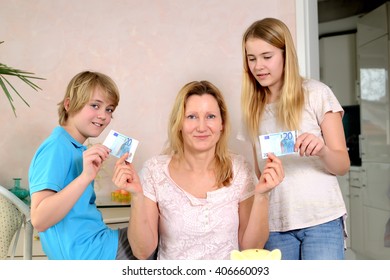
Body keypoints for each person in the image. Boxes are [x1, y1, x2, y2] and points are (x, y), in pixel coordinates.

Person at [112, 80, 284, 260]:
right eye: (192, 117)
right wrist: (137, 196)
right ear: (179, 123)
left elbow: (252, 247)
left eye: (210, 116)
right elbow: (142, 252)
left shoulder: (240, 169)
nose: (202, 127)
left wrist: (262, 196)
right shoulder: (154, 171)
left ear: (222, 124)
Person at [240, 18, 350, 260]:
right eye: (252, 58)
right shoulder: (251, 110)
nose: (258, 66)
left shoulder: (317, 94)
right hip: (276, 226)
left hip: (322, 221)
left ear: (285, 55)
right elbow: (259, 176)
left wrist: (322, 150)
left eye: (267, 56)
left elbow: (342, 165)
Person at [28, 70, 135, 260]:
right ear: (68, 105)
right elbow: (39, 220)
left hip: (97, 244)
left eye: (109, 110)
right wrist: (86, 177)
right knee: (163, 238)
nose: (103, 116)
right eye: (95, 105)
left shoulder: (76, 148)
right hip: (90, 255)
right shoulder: (56, 147)